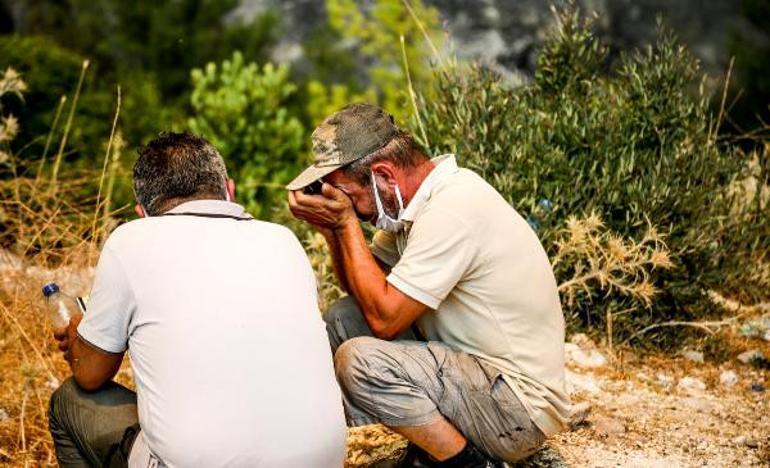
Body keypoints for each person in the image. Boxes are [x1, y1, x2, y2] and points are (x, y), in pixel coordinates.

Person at [287, 103, 570, 467]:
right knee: (344, 317)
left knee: (360, 361)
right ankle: (436, 445)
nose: (355, 210)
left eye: (349, 196)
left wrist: (346, 226)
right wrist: (333, 232)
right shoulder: (414, 209)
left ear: (384, 176)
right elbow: (364, 292)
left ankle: (464, 462)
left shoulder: (452, 209)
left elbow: (385, 319)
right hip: (476, 376)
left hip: (516, 408)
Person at [49, 132, 346, 467]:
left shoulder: (131, 241)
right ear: (229, 190)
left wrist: (79, 337)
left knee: (68, 402)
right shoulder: (283, 240)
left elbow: (90, 375)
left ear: (142, 213)